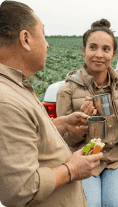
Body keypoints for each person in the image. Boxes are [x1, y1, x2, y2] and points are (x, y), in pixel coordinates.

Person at [0, 1, 103, 207]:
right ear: (25, 39)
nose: (47, 44)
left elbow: (25, 135)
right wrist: (71, 170)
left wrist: (61, 124)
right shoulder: (6, 102)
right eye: (44, 34)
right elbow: (21, 190)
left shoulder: (15, 86)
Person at [56, 18, 118, 207]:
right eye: (93, 47)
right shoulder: (67, 91)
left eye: (106, 49)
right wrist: (81, 126)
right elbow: (62, 140)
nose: (98, 55)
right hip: (83, 158)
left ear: (113, 54)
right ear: (84, 50)